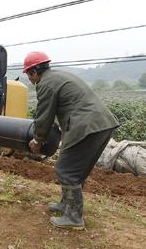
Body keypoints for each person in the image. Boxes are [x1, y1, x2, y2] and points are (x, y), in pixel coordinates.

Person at [24, 51, 119, 230]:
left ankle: (74, 218)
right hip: (102, 124)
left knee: (65, 170)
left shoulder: (46, 84)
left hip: (86, 126)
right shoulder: (59, 75)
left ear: (33, 72)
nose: (30, 79)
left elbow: (44, 117)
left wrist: (37, 140)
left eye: (28, 75)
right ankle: (66, 204)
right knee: (76, 170)